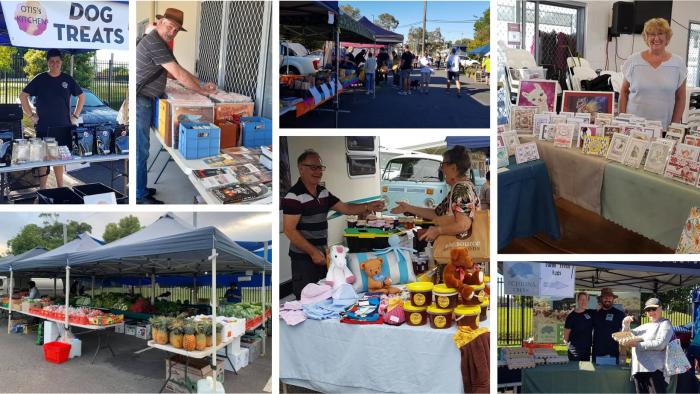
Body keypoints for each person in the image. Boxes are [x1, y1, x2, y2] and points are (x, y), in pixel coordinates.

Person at [136, 8, 217, 204]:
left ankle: (141, 189)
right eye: (170, 26)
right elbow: (178, 74)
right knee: (141, 149)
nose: (172, 32)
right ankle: (139, 196)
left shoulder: (160, 43)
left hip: (145, 98)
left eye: (177, 30)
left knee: (143, 147)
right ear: (160, 22)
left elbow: (176, 71)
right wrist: (202, 92)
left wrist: (201, 83)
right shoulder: (155, 42)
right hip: (141, 100)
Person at [282, 150, 386, 300]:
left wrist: (369, 206)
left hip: (323, 256)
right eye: (313, 167)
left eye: (320, 167)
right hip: (303, 259)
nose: (318, 172)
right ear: (301, 168)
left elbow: (346, 208)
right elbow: (289, 230)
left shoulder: (323, 192)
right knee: (306, 299)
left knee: (326, 294)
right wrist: (312, 252)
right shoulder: (293, 196)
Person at [20, 49, 85, 189]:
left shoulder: (67, 79)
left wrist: (75, 116)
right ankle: (43, 190)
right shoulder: (40, 78)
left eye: (57, 61)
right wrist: (31, 116)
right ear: (47, 62)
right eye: (51, 61)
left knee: (59, 159)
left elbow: (81, 97)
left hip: (63, 126)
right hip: (44, 126)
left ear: (61, 62)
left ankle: (60, 189)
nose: (54, 64)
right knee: (44, 159)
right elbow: (22, 96)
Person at [391, 145, 480, 241]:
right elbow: (437, 213)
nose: (441, 169)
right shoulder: (461, 187)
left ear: (454, 168)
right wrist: (408, 208)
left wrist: (438, 230)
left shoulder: (461, 189)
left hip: (460, 251)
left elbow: (463, 225)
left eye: (443, 165)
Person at [619, 18, 687, 129]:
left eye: (660, 33)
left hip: (663, 128)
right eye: (651, 34)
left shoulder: (678, 63)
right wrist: (623, 121)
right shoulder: (633, 61)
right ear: (646, 37)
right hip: (633, 127)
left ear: (667, 37)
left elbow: (681, 98)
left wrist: (674, 127)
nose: (656, 38)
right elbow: (623, 92)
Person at [622, 298, 673, 393]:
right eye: (648, 310)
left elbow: (661, 344)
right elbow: (626, 337)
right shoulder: (644, 326)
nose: (651, 312)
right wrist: (626, 324)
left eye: (653, 309)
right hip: (638, 370)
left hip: (655, 371)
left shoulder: (665, 324)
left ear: (661, 308)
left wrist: (637, 345)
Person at [592, 287, 626, 363]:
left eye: (610, 297)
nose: (607, 299)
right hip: (597, 353)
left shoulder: (619, 314)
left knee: (612, 374)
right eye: (605, 297)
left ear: (613, 299)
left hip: (613, 354)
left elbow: (624, 334)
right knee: (596, 375)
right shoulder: (594, 314)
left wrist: (623, 352)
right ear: (601, 299)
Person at [563, 292, 594, 361]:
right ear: (577, 300)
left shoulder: (590, 313)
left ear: (588, 301)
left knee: (586, 369)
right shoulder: (571, 316)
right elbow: (565, 336)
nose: (583, 302)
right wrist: (571, 349)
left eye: (585, 300)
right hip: (574, 349)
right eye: (581, 299)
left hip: (586, 349)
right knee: (575, 370)